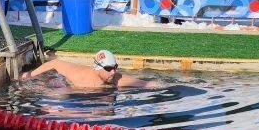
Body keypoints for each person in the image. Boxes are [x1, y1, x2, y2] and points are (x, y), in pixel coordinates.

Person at [20, 50, 159, 89]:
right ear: (98, 68)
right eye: (108, 68)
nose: (113, 72)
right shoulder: (80, 77)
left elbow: (144, 83)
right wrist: (31, 74)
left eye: (115, 67)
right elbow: (55, 63)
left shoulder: (115, 78)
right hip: (67, 84)